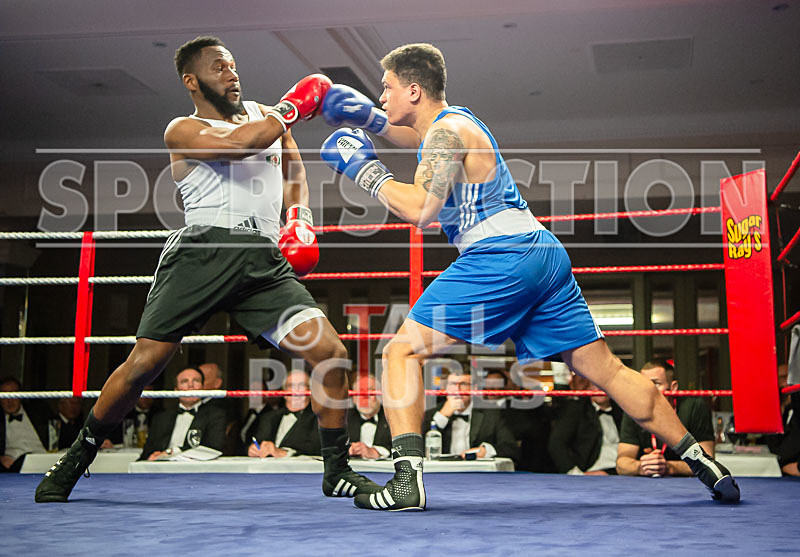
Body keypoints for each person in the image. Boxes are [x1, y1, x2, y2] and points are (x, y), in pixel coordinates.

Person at [320, 42, 739, 510]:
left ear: (413, 90)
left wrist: (365, 171)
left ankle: (406, 482)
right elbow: (414, 140)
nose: (380, 96)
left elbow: (422, 210)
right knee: (607, 370)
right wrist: (368, 119)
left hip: (501, 255)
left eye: (386, 88)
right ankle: (704, 462)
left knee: (400, 353)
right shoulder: (452, 124)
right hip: (541, 254)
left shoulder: (445, 134)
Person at [35, 35, 379, 502]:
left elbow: (294, 171)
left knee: (330, 354)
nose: (232, 73)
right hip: (203, 253)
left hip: (263, 262)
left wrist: (299, 220)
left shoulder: (267, 117)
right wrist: (294, 105)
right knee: (144, 366)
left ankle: (336, 469)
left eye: (234, 65)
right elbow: (243, 145)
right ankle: (77, 456)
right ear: (191, 80)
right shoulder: (182, 129)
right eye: (219, 67)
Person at [616, 359, 715, 477]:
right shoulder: (633, 409)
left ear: (673, 387)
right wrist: (641, 467)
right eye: (644, 384)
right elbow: (621, 464)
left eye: (655, 384)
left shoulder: (695, 407)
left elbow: (707, 461)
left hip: (685, 485)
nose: (648, 389)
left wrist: (669, 467)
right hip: (644, 485)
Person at [423, 370, 518, 461]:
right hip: (440, 473)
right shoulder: (431, 413)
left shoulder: (491, 413)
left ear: (474, 388)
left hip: (478, 474)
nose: (457, 390)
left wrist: (485, 451)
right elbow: (416, 449)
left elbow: (511, 448)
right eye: (452, 384)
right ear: (445, 388)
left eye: (463, 384)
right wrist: (442, 416)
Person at [139, 367, 226, 460]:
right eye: (184, 381)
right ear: (176, 390)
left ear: (203, 387)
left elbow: (213, 448)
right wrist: (151, 457)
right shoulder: (161, 418)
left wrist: (172, 452)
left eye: (196, 381)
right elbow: (147, 453)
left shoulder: (215, 415)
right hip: (162, 469)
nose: (191, 385)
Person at [548, 374, 622, 475]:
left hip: (622, 472)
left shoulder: (624, 411)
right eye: (596, 385)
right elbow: (557, 444)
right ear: (590, 386)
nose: (599, 390)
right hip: (589, 473)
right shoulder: (576, 409)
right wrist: (576, 474)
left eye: (604, 385)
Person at [248, 370, 320, 458]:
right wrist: (253, 449)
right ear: (284, 392)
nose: (296, 390)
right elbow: (255, 443)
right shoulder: (268, 417)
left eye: (302, 385)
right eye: (291, 386)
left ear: (310, 391)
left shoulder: (320, 419)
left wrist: (284, 453)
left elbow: (317, 451)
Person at [1, 377, 49, 473]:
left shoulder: (37, 412)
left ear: (21, 396)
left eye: (13, 395)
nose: (9, 401)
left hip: (44, 460)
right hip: (16, 465)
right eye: (4, 396)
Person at [347, 374, 391, 460]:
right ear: (354, 398)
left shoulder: (392, 417)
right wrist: (346, 450)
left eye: (370, 392)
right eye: (361, 392)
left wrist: (376, 452)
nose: (365, 397)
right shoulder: (343, 418)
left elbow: (402, 448)